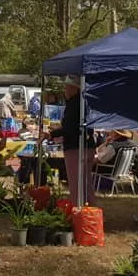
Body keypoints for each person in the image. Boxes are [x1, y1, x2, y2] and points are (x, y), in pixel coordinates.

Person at [42, 77, 96, 207]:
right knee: (86, 182)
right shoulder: (86, 102)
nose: (65, 89)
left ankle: (78, 210)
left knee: (76, 183)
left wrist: (51, 134)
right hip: (88, 145)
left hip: (75, 148)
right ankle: (91, 210)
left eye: (67, 87)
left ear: (74, 88)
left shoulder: (73, 104)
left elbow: (69, 128)